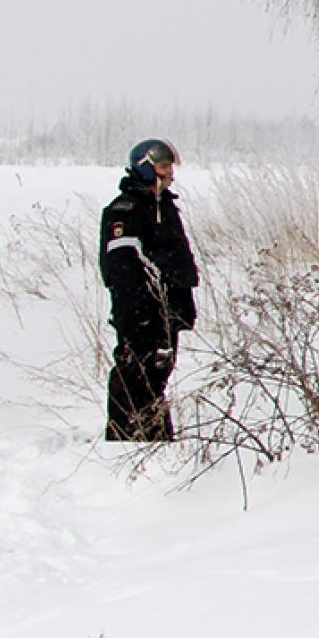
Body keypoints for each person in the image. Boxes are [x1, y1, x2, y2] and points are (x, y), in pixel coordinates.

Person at [100, 137, 200, 442]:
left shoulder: (166, 206)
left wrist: (182, 304)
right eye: (163, 166)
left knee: (157, 374)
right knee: (134, 370)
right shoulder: (125, 211)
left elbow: (176, 259)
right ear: (144, 168)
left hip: (166, 309)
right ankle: (125, 439)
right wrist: (138, 312)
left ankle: (154, 436)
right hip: (139, 312)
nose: (170, 173)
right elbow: (121, 267)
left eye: (170, 166)